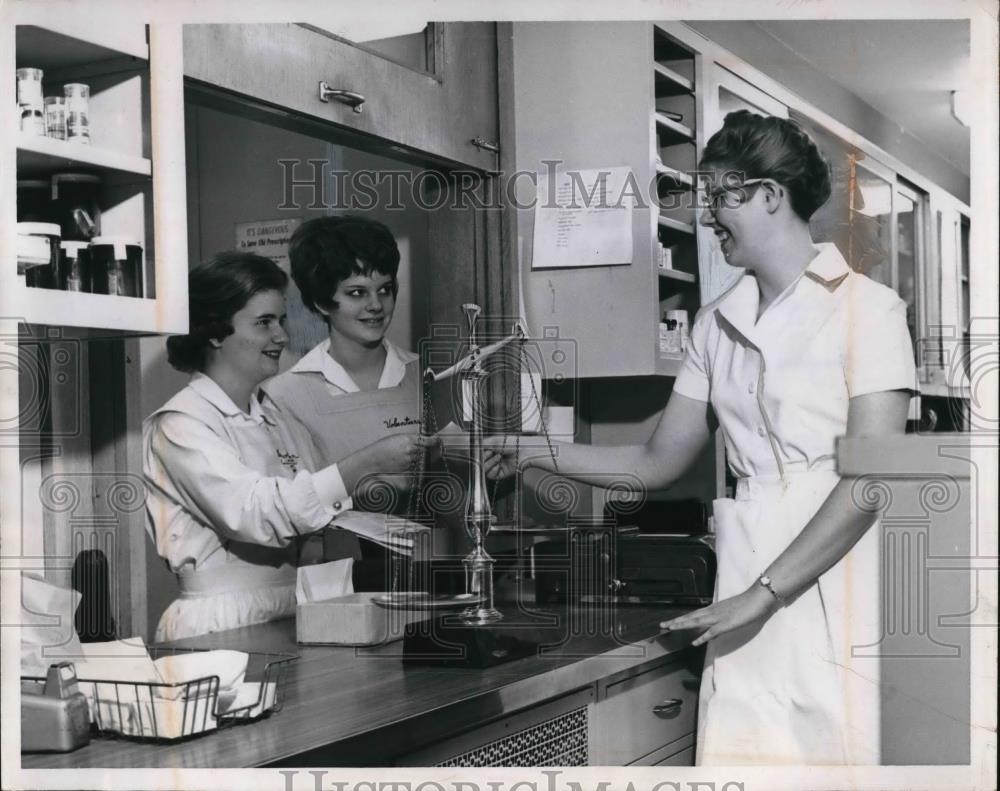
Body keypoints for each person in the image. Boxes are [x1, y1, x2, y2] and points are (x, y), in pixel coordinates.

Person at [486, 110, 916, 765]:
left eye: (720, 194)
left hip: (839, 569)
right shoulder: (716, 324)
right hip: (745, 571)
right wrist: (532, 449)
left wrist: (762, 593)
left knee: (839, 755)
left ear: (770, 195)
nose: (705, 214)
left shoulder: (870, 309)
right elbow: (655, 461)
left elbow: (869, 480)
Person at [142, 252, 426, 641]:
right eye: (263, 323)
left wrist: (382, 482)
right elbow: (256, 512)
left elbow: (310, 499)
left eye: (281, 320)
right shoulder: (180, 424)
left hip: (290, 606)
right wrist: (363, 463)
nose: (281, 336)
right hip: (220, 621)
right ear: (213, 331)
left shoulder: (272, 415)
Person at [265, 216, 441, 589]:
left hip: (434, 576)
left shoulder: (430, 378)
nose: (376, 305)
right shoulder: (285, 396)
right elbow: (293, 513)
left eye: (385, 289)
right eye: (357, 292)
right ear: (320, 301)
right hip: (341, 585)